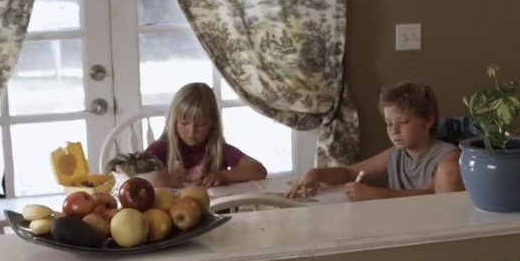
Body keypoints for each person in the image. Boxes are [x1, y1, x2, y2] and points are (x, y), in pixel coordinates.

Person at [287, 82, 464, 201]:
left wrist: (376, 194)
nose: (394, 130)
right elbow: (350, 172)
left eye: (403, 122)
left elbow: (435, 197)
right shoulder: (397, 154)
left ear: (428, 121)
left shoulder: (449, 159)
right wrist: (317, 173)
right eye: (389, 123)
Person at [143, 83, 267, 188]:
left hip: (217, 208)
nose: (191, 131)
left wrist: (223, 175)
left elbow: (258, 170)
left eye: (200, 124)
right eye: (184, 123)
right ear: (174, 121)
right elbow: (135, 177)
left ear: (211, 123)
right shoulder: (161, 148)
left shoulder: (219, 150)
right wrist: (162, 180)